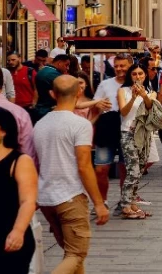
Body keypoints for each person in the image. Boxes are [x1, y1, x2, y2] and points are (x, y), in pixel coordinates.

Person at [34, 75, 109, 273]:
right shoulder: (79, 124)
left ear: (52, 94)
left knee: (72, 254)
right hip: (70, 196)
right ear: (78, 93)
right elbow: (84, 166)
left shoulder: (40, 125)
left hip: (46, 198)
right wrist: (99, 203)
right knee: (76, 254)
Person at [0, 107, 38, 274]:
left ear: (3, 130)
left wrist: (18, 231)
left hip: (8, 234)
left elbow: (28, 201)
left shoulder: (19, 161)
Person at [92, 54, 132, 214]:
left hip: (128, 126)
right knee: (101, 168)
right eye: (117, 66)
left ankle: (125, 200)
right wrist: (99, 104)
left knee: (125, 167)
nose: (119, 69)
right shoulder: (105, 84)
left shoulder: (136, 83)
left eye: (123, 66)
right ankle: (102, 201)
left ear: (130, 65)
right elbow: (96, 104)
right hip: (107, 125)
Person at [117, 64, 155, 219]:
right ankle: (125, 205)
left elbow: (150, 107)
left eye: (140, 73)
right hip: (127, 132)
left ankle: (132, 202)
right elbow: (123, 112)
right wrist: (133, 97)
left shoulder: (151, 92)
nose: (138, 77)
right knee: (132, 170)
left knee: (139, 169)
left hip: (144, 134)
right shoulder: (122, 91)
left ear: (145, 75)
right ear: (130, 76)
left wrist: (143, 95)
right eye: (134, 74)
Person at [33, 54, 70, 121]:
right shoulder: (54, 74)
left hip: (41, 108)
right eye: (66, 65)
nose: (67, 68)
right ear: (59, 63)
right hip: (49, 109)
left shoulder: (43, 70)